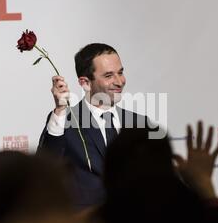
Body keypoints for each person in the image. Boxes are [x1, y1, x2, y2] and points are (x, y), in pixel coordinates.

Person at [37, 43, 155, 208]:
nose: (119, 81)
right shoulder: (64, 119)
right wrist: (60, 110)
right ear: (85, 83)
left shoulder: (139, 123)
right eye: (108, 76)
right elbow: (45, 168)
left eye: (120, 72)